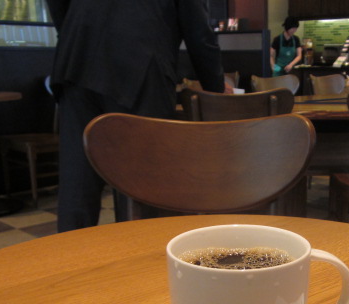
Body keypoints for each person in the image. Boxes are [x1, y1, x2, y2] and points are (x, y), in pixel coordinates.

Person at [46, 0, 231, 232]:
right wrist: (216, 89)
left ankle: (71, 254)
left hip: (77, 58)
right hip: (141, 60)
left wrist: (81, 32)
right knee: (140, 183)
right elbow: (199, 32)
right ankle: (136, 251)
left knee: (77, 179)